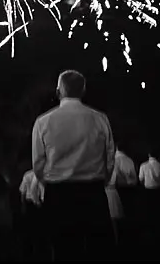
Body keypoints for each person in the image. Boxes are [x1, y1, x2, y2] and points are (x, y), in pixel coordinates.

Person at [32, 69, 115, 260]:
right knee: (98, 250)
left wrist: (48, 182)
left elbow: (38, 163)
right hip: (93, 192)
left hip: (59, 194)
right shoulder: (100, 118)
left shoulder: (43, 121)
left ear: (58, 91)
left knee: (64, 250)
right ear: (83, 90)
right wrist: (103, 180)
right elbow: (110, 156)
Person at [139, 151, 160, 243]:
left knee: (150, 211)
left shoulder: (143, 165)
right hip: (159, 191)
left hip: (148, 191)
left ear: (148, 155)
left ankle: (152, 231)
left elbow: (141, 179)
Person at [110, 147, 139, 246]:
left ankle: (120, 239)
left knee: (118, 216)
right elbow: (134, 177)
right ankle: (130, 237)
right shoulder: (129, 160)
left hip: (119, 189)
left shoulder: (113, 160)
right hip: (130, 188)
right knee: (129, 213)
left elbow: (116, 176)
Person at [18, 169, 46, 259]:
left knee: (29, 229)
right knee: (38, 229)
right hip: (37, 204)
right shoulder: (43, 175)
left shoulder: (27, 175)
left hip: (29, 204)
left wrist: (23, 205)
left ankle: (29, 253)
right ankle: (37, 252)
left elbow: (23, 192)